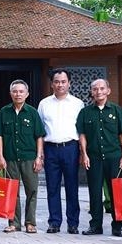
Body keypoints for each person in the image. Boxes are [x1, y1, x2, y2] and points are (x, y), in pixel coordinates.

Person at [76, 79, 122, 237]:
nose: (98, 91)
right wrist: (84, 154)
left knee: (116, 192)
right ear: (91, 92)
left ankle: (117, 226)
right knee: (94, 192)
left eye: (101, 88)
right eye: (95, 89)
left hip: (114, 156)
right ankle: (95, 225)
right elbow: (83, 135)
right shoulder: (85, 112)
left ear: (108, 90)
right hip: (93, 157)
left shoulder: (116, 110)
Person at [0, 79, 45, 233]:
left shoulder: (32, 113)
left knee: (32, 191)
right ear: (10, 94)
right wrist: (0, 156)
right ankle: (14, 223)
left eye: (21, 91)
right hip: (10, 159)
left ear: (27, 94)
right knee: (11, 192)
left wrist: (39, 157)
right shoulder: (4, 112)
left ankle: (30, 223)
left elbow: (39, 136)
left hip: (29, 158)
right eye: (15, 91)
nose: (18, 94)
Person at [37, 68, 84, 234]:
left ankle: (73, 223)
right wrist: (40, 153)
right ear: (51, 84)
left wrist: (82, 152)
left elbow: (81, 130)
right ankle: (54, 222)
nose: (60, 85)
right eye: (56, 82)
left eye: (63, 81)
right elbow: (40, 131)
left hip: (71, 148)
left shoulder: (78, 104)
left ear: (69, 83)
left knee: (72, 187)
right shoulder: (44, 104)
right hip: (51, 149)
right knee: (52, 187)